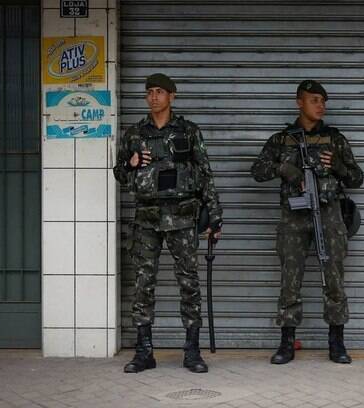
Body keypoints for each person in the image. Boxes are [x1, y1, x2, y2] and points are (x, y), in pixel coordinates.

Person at [113, 73, 222, 374]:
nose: (154, 97)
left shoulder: (188, 131)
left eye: (160, 92)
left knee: (189, 284)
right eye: (149, 92)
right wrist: (131, 163)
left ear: (172, 96)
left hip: (183, 217)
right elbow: (119, 174)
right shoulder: (134, 134)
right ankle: (144, 351)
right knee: (142, 285)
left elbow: (205, 174)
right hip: (147, 218)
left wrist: (215, 215)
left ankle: (192, 351)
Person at [251, 80, 364, 365]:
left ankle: (336, 342)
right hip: (294, 216)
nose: (321, 106)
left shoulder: (335, 139)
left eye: (323, 101)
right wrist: (284, 169)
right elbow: (258, 170)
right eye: (314, 100)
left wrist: (337, 165)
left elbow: (357, 178)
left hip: (329, 214)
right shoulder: (282, 139)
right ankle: (286, 342)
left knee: (334, 279)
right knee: (290, 280)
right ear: (299, 103)